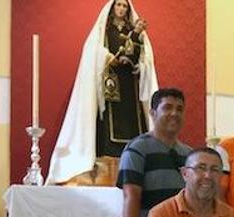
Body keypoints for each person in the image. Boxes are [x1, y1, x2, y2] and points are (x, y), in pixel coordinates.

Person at [48, 0, 158, 185]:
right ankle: (108, 166)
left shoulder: (134, 32)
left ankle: (134, 158)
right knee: (111, 122)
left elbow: (144, 56)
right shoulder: (104, 31)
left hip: (130, 85)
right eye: (119, 5)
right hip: (111, 84)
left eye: (125, 6)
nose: (121, 9)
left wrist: (138, 62)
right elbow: (93, 51)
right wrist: (107, 57)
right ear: (112, 7)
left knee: (133, 121)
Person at [117, 87, 190, 217]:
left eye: (179, 109)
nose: (174, 113)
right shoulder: (137, 149)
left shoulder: (189, 153)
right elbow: (131, 195)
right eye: (167, 107)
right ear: (152, 113)